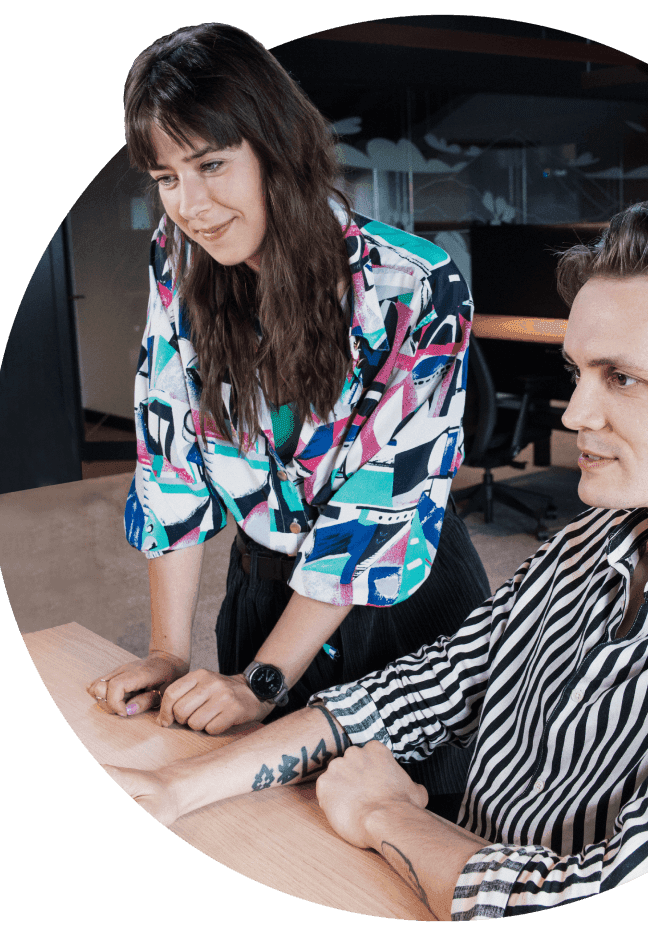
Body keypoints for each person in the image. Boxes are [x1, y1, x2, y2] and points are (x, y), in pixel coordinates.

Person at [107, 200, 648, 920]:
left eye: (624, 378)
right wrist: (172, 790)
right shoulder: (585, 544)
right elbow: (420, 691)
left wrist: (385, 815)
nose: (574, 414)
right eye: (579, 373)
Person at [85, 23, 491, 819]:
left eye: (210, 164)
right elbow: (169, 458)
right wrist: (170, 654)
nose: (190, 205)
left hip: (401, 604)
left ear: (277, 146)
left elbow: (373, 514)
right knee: (266, 827)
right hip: (264, 591)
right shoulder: (178, 263)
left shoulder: (415, 286)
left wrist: (262, 682)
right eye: (166, 176)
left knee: (409, 824)